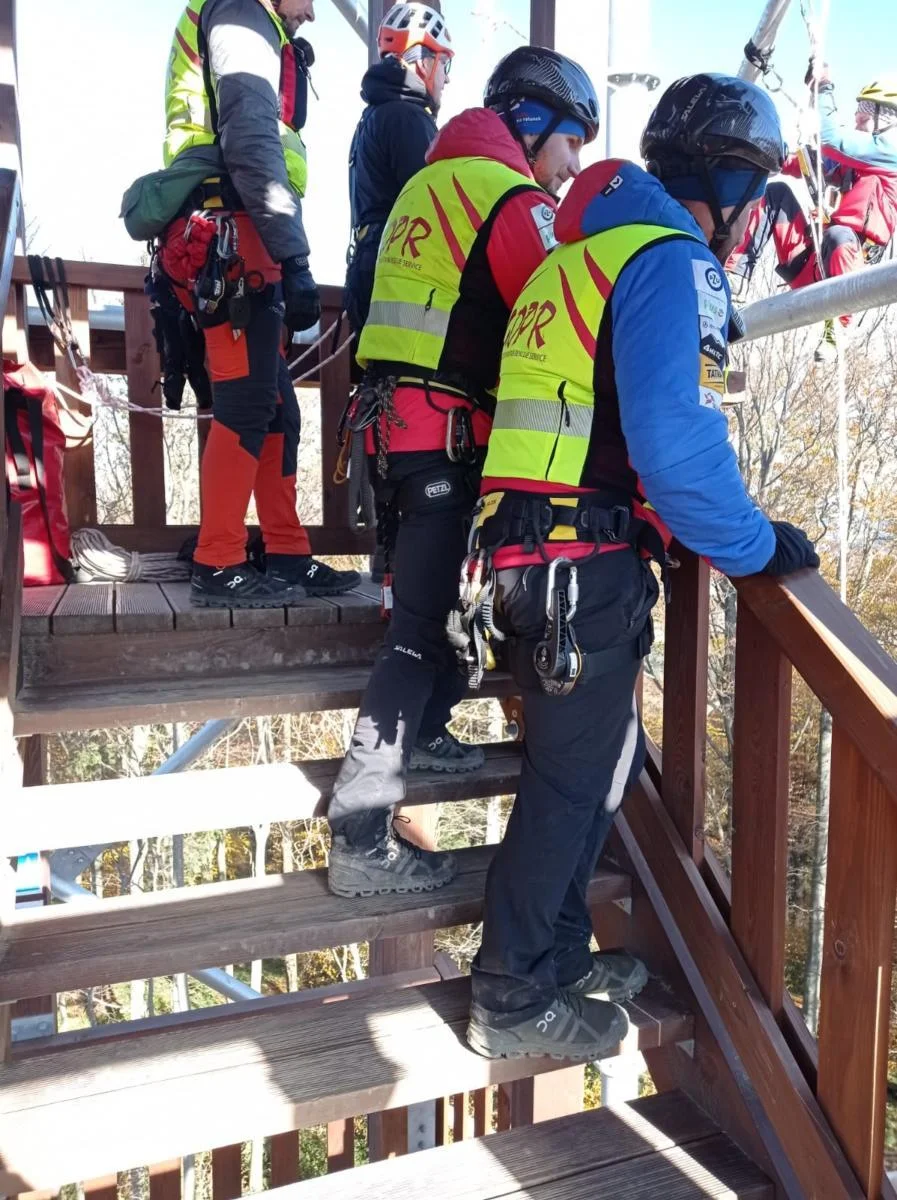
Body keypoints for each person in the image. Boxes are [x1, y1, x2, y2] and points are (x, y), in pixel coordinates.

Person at [462, 73, 820, 1061]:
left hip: (530, 548)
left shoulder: (576, 257)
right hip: (580, 558)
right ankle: (511, 993)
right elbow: (674, 433)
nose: (753, 226)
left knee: (597, 764)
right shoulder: (671, 261)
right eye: (758, 195)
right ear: (730, 185)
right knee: (570, 781)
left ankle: (560, 956)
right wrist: (750, 544)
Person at [326, 47, 600, 899]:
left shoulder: (424, 186)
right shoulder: (509, 199)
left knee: (431, 606)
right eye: (569, 144)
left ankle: (431, 726)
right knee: (412, 635)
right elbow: (551, 314)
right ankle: (360, 830)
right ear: (532, 125)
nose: (573, 166)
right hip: (442, 438)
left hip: (392, 434)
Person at [158, 0, 360, 607]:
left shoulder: (251, 18)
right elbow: (250, 143)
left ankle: (286, 552)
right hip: (234, 235)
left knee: (276, 409)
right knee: (247, 402)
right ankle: (216, 562)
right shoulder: (243, 14)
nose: (315, 14)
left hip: (247, 234)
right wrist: (295, 259)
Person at [728, 71, 897, 358]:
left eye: (866, 111)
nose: (857, 117)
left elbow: (831, 140)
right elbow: (815, 162)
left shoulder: (888, 151)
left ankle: (839, 326)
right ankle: (735, 278)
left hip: (851, 262)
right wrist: (766, 155)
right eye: (859, 109)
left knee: (839, 233)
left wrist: (823, 86)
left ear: (888, 118)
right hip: (818, 260)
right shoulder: (856, 164)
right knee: (777, 194)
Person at [344, 4, 454, 339]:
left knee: (380, 378)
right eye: (445, 62)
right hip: (394, 269)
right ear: (422, 59)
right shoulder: (407, 118)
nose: (447, 76)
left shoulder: (374, 116)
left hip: (367, 264)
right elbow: (436, 211)